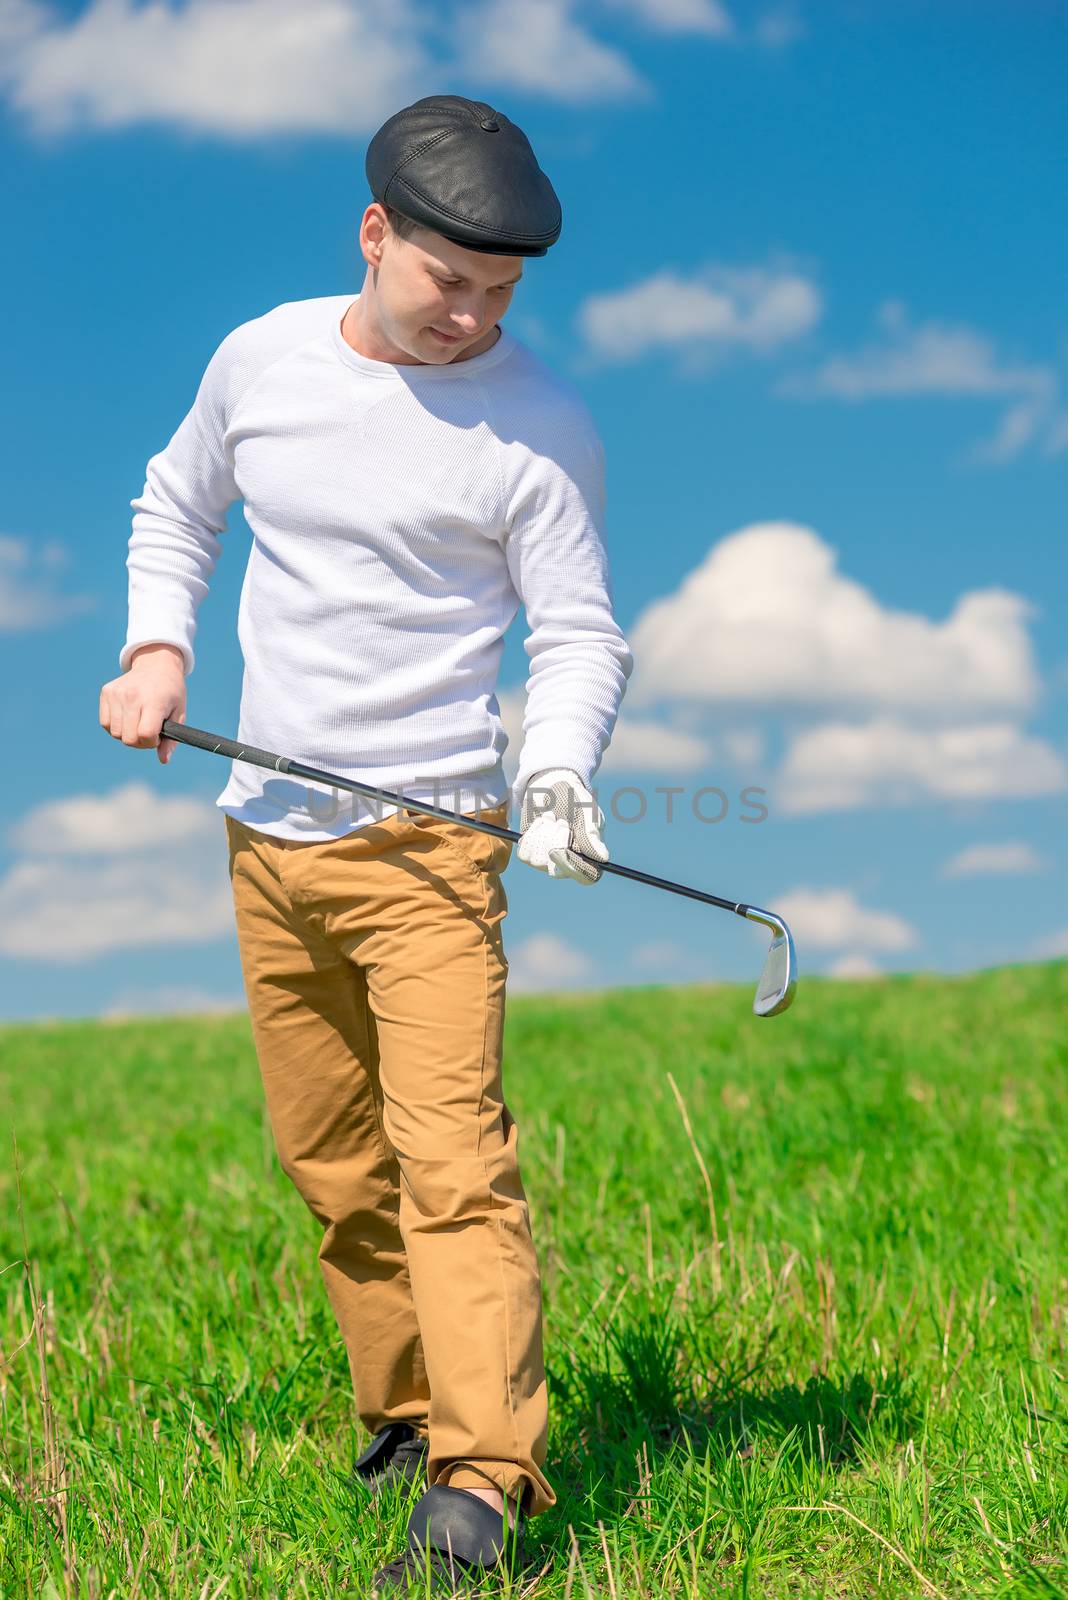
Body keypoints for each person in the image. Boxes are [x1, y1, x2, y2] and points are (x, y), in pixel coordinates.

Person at [99, 94, 633, 1593]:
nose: (471, 314)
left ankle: (481, 1479)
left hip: (433, 848)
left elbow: (581, 635)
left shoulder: (542, 428)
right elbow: (175, 505)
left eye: (501, 291)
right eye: (444, 279)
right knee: (335, 1166)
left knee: (452, 1163)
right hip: (267, 834)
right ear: (375, 233)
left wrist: (561, 774)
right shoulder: (259, 362)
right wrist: (158, 654)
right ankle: (401, 1413)